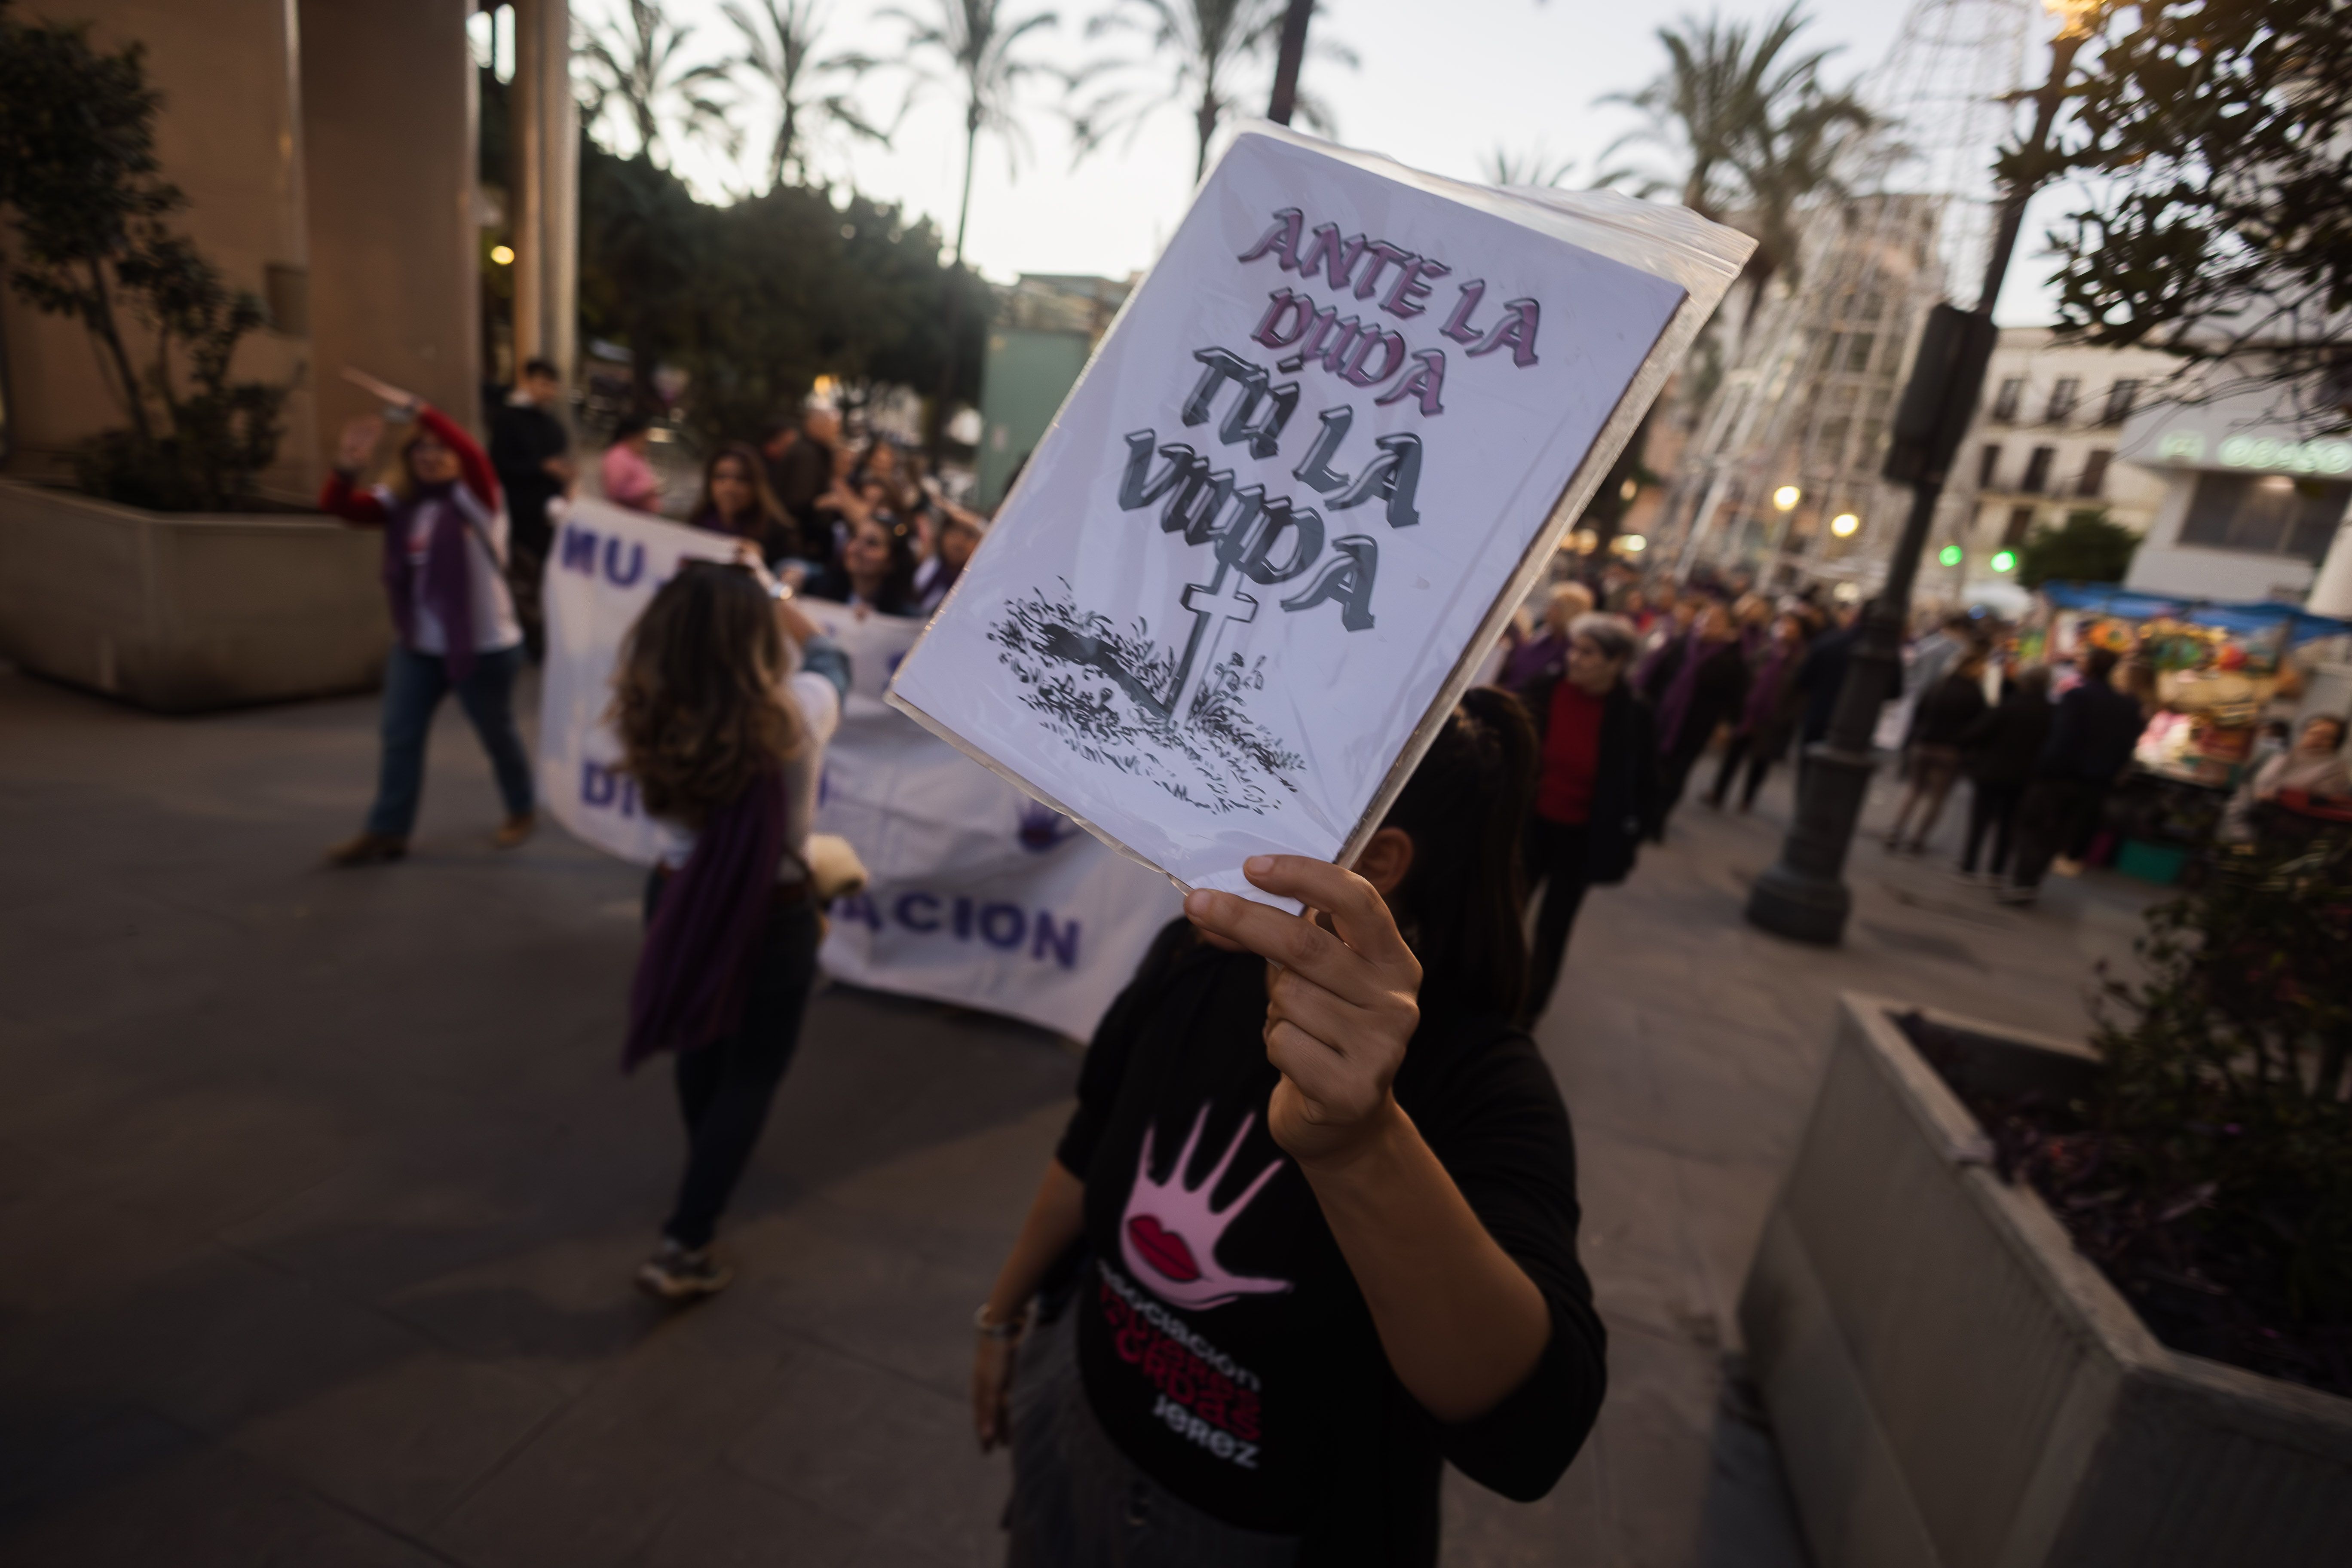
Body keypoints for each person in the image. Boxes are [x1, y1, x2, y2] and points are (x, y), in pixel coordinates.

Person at [974, 689, 1605, 1566]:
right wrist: (1004, 1315)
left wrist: (1362, 1144)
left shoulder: (1486, 1083)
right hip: (1075, 1427)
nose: (1206, 815)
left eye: (1257, 794)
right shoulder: (1190, 963)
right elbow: (1088, 1149)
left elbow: (1534, 1431)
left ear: (1376, 863)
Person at [612, 551, 850, 1297]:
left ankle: (705, 1163)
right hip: (770, 917)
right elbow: (832, 654)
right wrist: (777, 591)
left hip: (677, 900)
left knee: (701, 1045)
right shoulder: (799, 712)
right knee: (751, 1074)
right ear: (753, 638)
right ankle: (687, 1238)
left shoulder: (644, 713)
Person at [318, 393, 535, 864]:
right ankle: (388, 830)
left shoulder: (479, 501)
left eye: (441, 448)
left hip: (483, 648)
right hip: (419, 648)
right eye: (421, 449)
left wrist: (421, 412)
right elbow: (341, 508)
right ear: (408, 458)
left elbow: (476, 456)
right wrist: (346, 467)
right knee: (400, 735)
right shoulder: (402, 503)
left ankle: (522, 808)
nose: (431, 456)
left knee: (496, 735)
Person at [1518, 613, 1657, 1023]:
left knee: (1554, 927)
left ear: (1617, 662)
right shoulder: (1544, 690)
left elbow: (1646, 781)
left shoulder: (1633, 712)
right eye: (1574, 649)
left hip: (1583, 838)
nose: (1574, 659)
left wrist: (1631, 834)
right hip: (1529, 826)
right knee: (1506, 909)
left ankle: (1529, 1010)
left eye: (1588, 653)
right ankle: (1488, 989)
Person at [1998, 646, 2145, 906]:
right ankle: (2030, 883)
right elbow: (2127, 747)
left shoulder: (2077, 697)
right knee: (2058, 832)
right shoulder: (2127, 707)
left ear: (2089, 667)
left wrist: (2043, 770)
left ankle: (2023, 882)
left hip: (2060, 778)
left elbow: (2062, 739)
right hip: (2094, 784)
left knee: (2035, 829)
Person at [1640, 601, 1749, 835]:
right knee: (1651, 768)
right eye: (1704, 618)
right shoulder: (1681, 645)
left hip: (1695, 727)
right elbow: (1657, 679)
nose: (1708, 624)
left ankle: (1657, 821)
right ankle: (1642, 814)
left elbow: (1736, 699)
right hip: (1662, 719)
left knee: (1676, 775)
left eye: (1716, 621)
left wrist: (1728, 725)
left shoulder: (1732, 660)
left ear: (1728, 629)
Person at [488, 357, 572, 661]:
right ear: (528, 383)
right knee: (524, 582)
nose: (547, 390)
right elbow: (499, 465)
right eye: (542, 382)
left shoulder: (554, 427)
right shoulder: (508, 420)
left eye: (552, 384)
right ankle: (532, 642)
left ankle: (548, 640)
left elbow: (562, 465)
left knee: (549, 582)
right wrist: (540, 467)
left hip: (551, 518)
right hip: (520, 516)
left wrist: (567, 482)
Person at [1884, 646, 1989, 854]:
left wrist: (1914, 737)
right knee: (1937, 798)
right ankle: (1917, 840)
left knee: (1914, 790)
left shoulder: (1940, 684)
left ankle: (1895, 831)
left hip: (1924, 744)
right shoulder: (1975, 694)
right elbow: (1979, 726)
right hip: (1950, 751)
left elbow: (1920, 711)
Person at [1957, 665, 2052, 881]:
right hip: (2024, 777)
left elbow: (1976, 733)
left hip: (1992, 771)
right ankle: (1997, 869)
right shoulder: (2050, 712)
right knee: (2008, 824)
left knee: (1980, 820)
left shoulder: (2010, 706)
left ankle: (1969, 863)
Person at [1706, 610, 1808, 811]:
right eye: (1784, 624)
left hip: (1773, 717)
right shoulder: (1766, 650)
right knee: (1733, 754)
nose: (1786, 629)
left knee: (1760, 761)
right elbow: (1746, 677)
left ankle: (1748, 798)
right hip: (1748, 713)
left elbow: (1801, 694)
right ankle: (1718, 793)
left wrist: (1785, 717)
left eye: (1792, 626)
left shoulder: (1801, 659)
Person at [2218, 714, 2352, 841]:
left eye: (2327, 737)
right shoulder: (2283, 755)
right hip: (2248, 813)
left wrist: (2279, 795)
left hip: (2284, 826)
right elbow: (2253, 783)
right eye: (2314, 732)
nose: (2317, 738)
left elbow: (2322, 800)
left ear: (2335, 744)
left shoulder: (2336, 769)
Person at [686, 442, 793, 564]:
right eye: (721, 477)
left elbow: (791, 569)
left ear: (756, 486)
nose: (729, 487)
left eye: (741, 479)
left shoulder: (776, 533)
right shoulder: (697, 525)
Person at [805, 506, 917, 616]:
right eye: (855, 537)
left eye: (872, 543)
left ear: (892, 561)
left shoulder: (903, 616)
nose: (857, 549)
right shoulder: (817, 587)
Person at [1498, 582, 1594, 694]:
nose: (1549, 608)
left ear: (1570, 612)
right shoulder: (1545, 633)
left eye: (1556, 605)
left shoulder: (1570, 649)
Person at [911, 500, 986, 614]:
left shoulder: (979, 585)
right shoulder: (926, 564)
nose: (959, 541)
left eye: (969, 535)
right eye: (954, 531)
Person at [600, 415, 661, 513]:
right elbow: (616, 492)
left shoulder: (636, 455)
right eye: (642, 437)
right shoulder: (617, 456)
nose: (645, 441)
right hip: (625, 515)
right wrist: (645, 492)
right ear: (631, 436)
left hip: (640, 516)